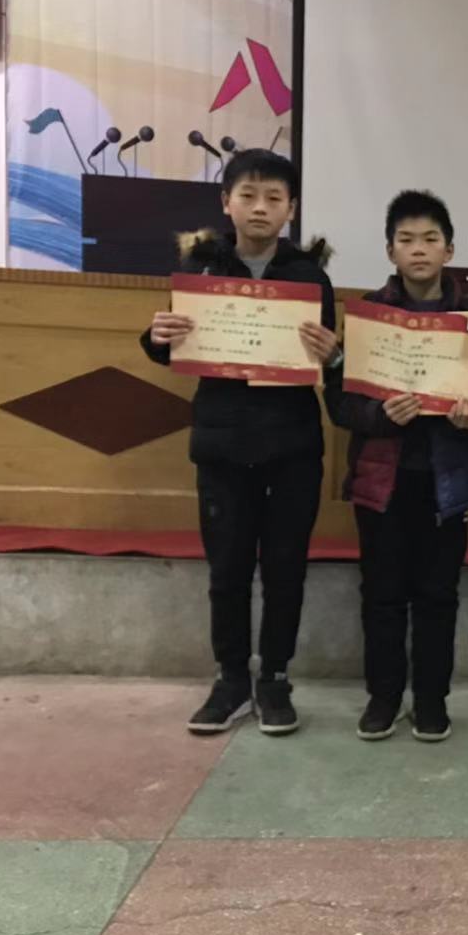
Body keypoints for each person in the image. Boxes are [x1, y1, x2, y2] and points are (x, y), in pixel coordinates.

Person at [140, 149, 340, 736]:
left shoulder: (310, 278)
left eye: (274, 198)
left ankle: (274, 678)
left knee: (285, 570)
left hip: (293, 447)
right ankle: (230, 679)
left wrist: (334, 354)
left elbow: (328, 362)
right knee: (227, 572)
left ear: (291, 208)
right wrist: (156, 336)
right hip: (223, 445)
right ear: (226, 202)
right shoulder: (202, 268)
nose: (260, 208)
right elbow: (173, 345)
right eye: (248, 195)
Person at [331, 190, 468, 743]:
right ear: (390, 250)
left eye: (430, 239)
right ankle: (382, 698)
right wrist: (380, 416)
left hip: (447, 483)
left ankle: (431, 702)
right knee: (381, 595)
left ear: (449, 249)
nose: (419, 249)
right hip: (382, 480)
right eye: (406, 240)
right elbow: (342, 404)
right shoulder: (369, 316)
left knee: (437, 597)